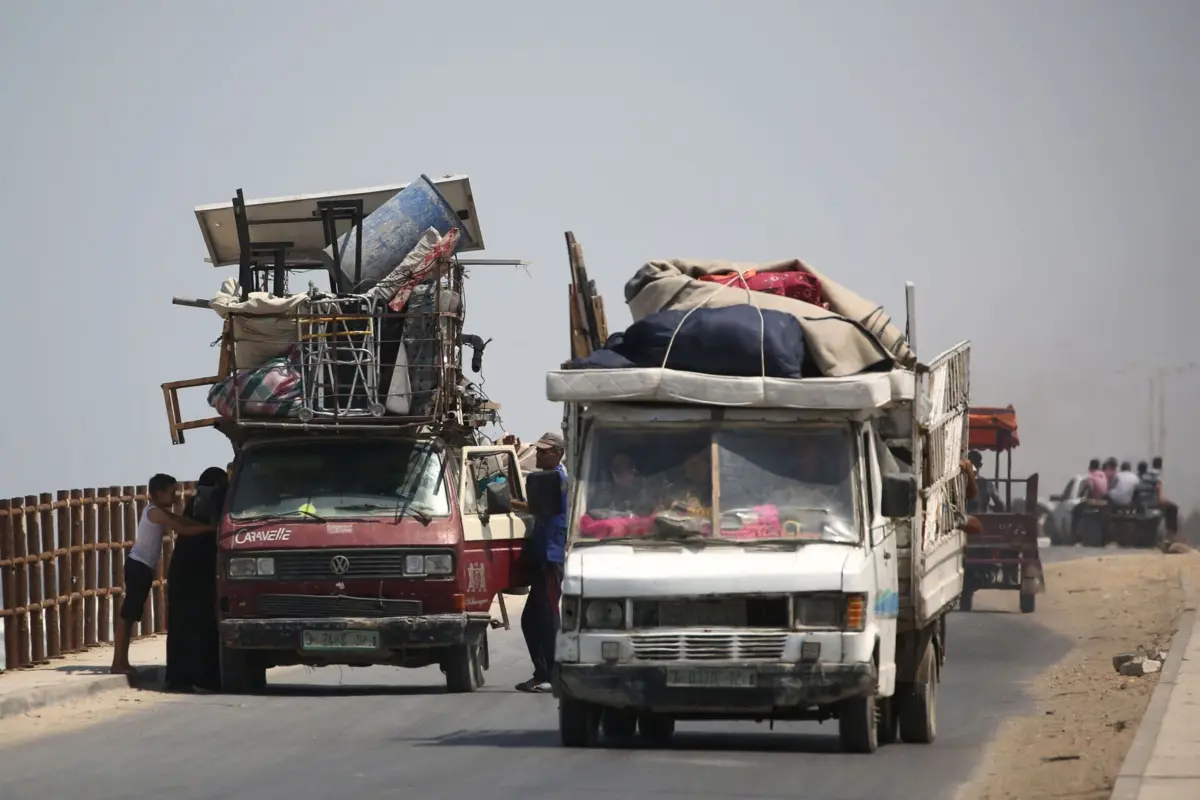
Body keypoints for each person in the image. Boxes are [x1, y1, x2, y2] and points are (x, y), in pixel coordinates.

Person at [111, 474, 216, 676]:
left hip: (143, 567)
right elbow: (182, 528)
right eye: (171, 492)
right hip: (138, 567)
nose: (175, 495)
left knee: (131, 615)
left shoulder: (159, 511)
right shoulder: (155, 512)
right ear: (158, 494)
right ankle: (118, 662)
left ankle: (122, 661)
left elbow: (182, 520)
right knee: (127, 616)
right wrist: (211, 528)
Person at [508, 432, 568, 694]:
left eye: (544, 452)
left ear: (558, 453)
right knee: (537, 617)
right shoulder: (550, 479)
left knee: (543, 617)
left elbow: (537, 508)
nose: (539, 455)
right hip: (545, 557)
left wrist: (509, 502)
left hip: (551, 557)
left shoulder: (555, 479)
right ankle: (546, 672)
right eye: (539, 451)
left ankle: (551, 674)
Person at [165, 467, 226, 692]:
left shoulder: (196, 501)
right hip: (201, 574)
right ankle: (205, 677)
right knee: (204, 626)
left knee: (181, 627)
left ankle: (179, 678)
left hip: (183, 572)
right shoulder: (213, 502)